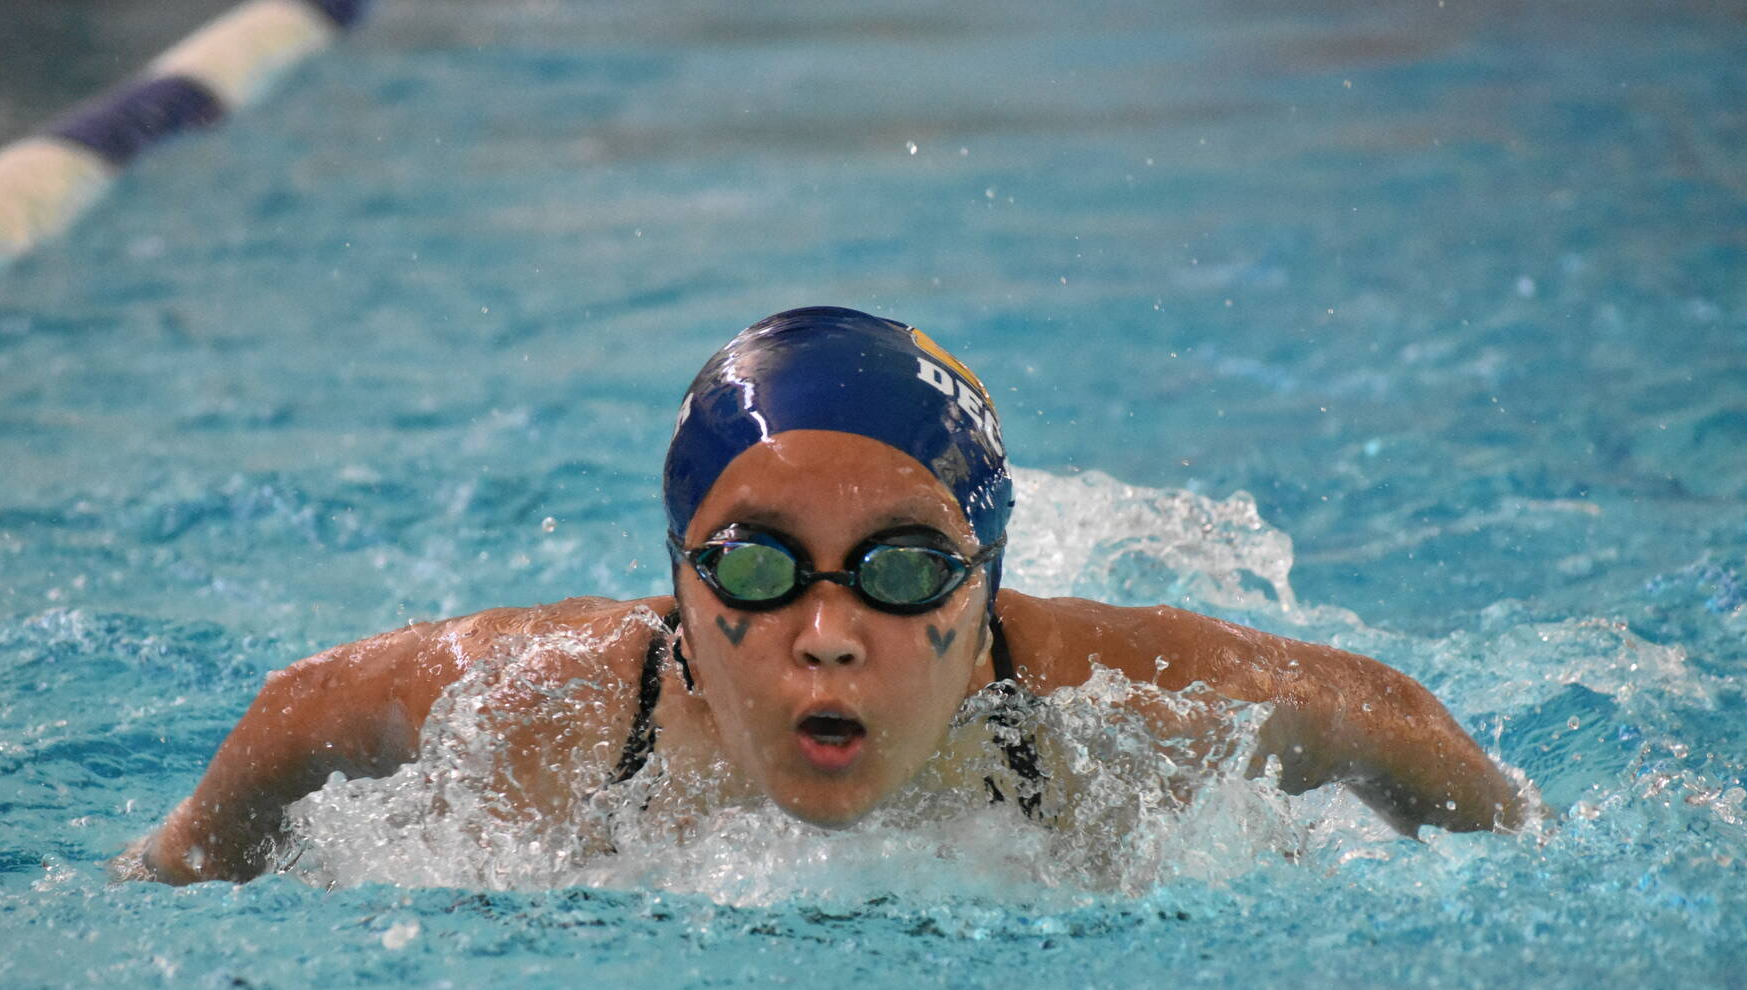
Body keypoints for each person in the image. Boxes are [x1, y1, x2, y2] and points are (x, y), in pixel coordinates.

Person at [131, 306, 1524, 885]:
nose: (826, 630)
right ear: (678, 580)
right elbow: (295, 714)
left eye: (906, 569)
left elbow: (1385, 713)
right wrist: (174, 881)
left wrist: (1531, 859)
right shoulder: (550, 717)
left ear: (986, 591)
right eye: (751, 562)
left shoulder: (1126, 720)